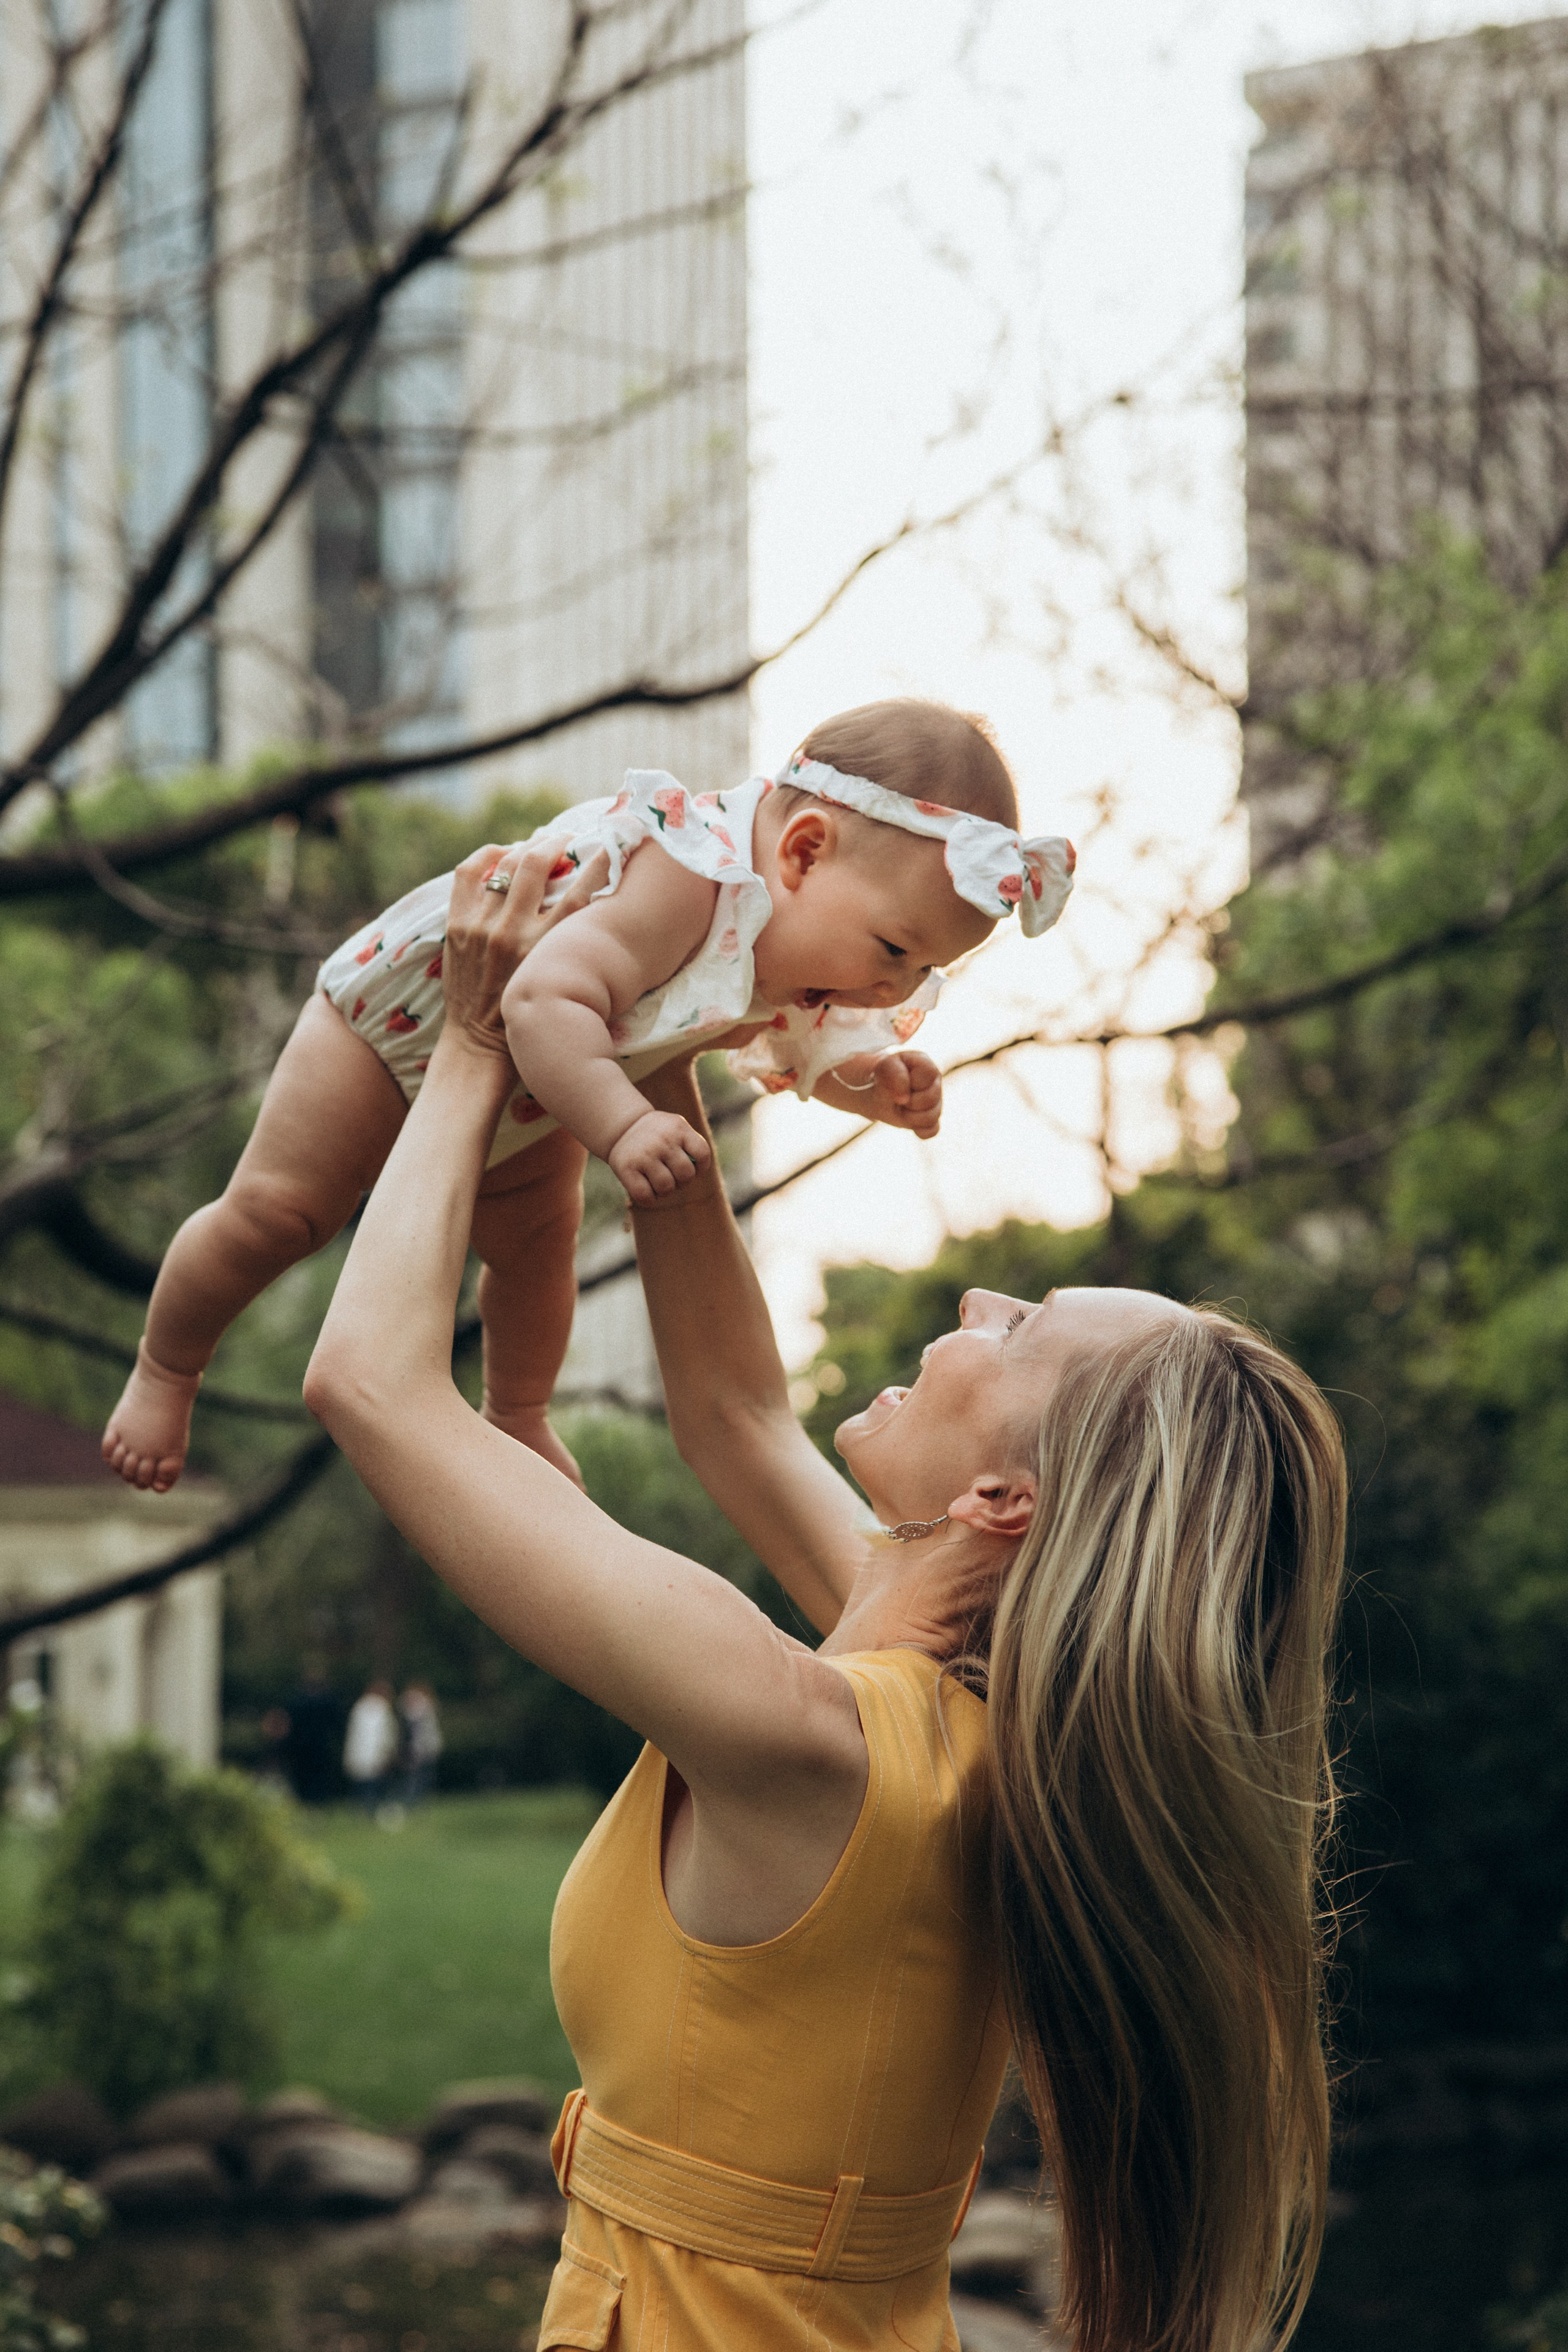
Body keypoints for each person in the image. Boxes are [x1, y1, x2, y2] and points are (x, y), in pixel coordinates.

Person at [301, 850, 1349, 2352]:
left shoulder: (811, 1737)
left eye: (1023, 1323)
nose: (978, 1301)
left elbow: (373, 1382)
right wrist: (664, 1011)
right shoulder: (967, 1721)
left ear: (1004, 1504)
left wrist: (474, 1043)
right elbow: (731, 1409)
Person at [101, 699, 1074, 1495]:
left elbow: (793, 1032)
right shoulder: (687, 877)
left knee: (538, 1255)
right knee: (282, 1213)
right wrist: (621, 1123)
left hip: (541, 1088)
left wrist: (866, 1081)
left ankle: (517, 1412)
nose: (895, 991)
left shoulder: (800, 937)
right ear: (803, 852)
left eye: (926, 971)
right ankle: (166, 1366)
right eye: (895, 950)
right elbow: (541, 995)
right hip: (403, 1031)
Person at [342, 1679, 399, 1816]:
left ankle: (363, 1810)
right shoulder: (382, 1709)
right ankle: (370, 1811)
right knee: (374, 1785)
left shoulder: (359, 1708)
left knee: (362, 1785)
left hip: (359, 1754)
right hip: (375, 1755)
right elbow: (387, 1734)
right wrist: (388, 1752)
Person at [398, 1680, 443, 1807]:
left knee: (422, 1777)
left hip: (424, 1748)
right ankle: (412, 1802)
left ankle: (418, 1802)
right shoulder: (418, 1709)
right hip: (418, 1749)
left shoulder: (422, 1709)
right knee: (416, 1777)